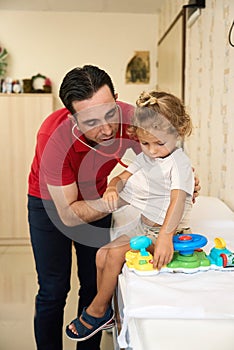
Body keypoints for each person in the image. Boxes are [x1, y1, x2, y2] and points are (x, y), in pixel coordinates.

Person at [28, 65, 200, 350]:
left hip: (95, 191)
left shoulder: (136, 120)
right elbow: (70, 216)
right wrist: (126, 195)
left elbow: (166, 153)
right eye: (91, 122)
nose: (107, 129)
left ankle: (94, 327)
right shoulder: (53, 139)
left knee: (92, 281)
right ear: (73, 119)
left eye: (110, 114)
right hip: (50, 202)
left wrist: (188, 179)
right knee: (53, 290)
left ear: (117, 100)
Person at [66, 90, 195, 342]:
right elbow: (121, 177)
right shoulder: (146, 156)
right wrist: (113, 187)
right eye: (145, 143)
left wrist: (167, 236)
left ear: (178, 132)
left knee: (114, 256)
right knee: (102, 253)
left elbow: (177, 200)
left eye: (159, 143)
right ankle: (110, 311)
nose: (152, 150)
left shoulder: (178, 163)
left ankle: (98, 310)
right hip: (142, 226)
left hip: (164, 231)